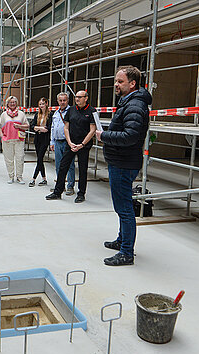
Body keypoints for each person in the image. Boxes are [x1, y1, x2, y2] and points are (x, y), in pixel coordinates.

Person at [96, 65, 152, 266]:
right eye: (116, 81)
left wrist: (105, 136)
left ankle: (126, 252)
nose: (116, 85)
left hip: (123, 162)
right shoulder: (129, 102)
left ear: (132, 83)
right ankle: (122, 240)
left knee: (125, 208)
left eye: (120, 81)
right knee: (122, 207)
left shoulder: (135, 105)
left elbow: (130, 136)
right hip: (121, 160)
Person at [46, 91, 97, 202]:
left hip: (84, 145)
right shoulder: (71, 110)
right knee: (63, 167)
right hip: (71, 144)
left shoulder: (92, 111)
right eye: (76, 97)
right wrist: (70, 143)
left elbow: (92, 130)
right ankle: (57, 192)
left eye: (80, 97)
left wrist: (82, 144)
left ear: (86, 98)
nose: (77, 99)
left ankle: (81, 193)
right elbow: (66, 127)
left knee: (83, 170)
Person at [0, 96, 29, 184]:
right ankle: (11, 176)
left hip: (19, 139)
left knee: (20, 158)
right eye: (11, 102)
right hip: (7, 140)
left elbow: (27, 125)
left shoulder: (21, 114)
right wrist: (2, 136)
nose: (12, 104)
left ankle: (19, 176)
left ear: (16, 103)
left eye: (14, 102)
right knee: (9, 159)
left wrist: (19, 126)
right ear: (7, 104)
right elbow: (0, 127)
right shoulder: (4, 115)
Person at [50, 92, 75, 195]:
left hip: (67, 142)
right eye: (60, 100)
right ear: (58, 101)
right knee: (58, 165)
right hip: (57, 142)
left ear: (68, 100)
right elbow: (52, 128)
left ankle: (70, 186)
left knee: (70, 165)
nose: (62, 102)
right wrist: (52, 141)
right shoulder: (56, 113)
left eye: (64, 100)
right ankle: (60, 186)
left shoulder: (72, 112)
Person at [29, 97, 52, 187]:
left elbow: (49, 128)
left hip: (45, 139)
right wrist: (39, 128)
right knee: (40, 159)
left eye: (43, 104)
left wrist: (38, 128)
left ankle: (33, 179)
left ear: (46, 104)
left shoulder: (50, 115)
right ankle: (44, 179)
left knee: (39, 158)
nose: (41, 106)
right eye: (40, 104)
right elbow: (32, 126)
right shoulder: (37, 114)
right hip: (37, 138)